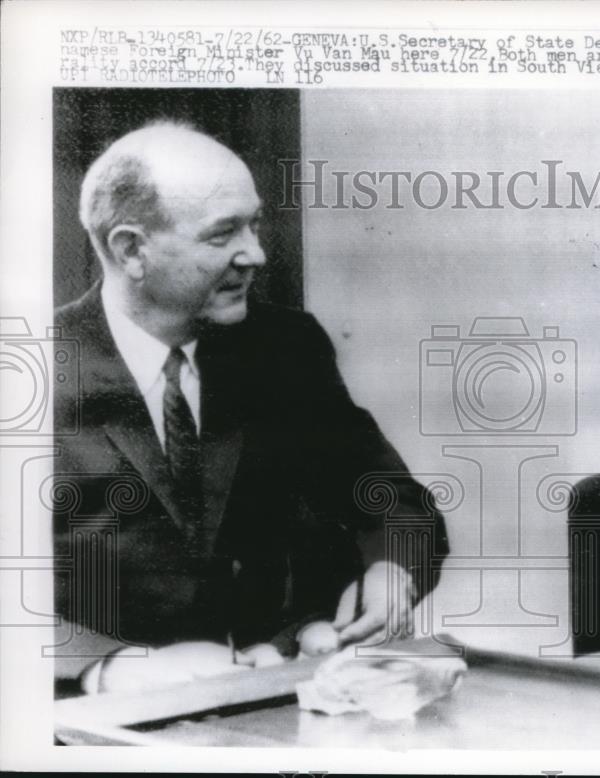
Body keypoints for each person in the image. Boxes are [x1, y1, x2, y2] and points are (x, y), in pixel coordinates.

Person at [53, 120, 447, 694]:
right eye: (223, 234)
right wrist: (108, 666)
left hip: (282, 692)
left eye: (254, 224)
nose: (255, 254)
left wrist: (391, 570)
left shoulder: (286, 347)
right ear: (131, 249)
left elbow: (393, 500)